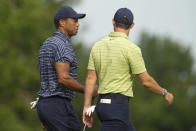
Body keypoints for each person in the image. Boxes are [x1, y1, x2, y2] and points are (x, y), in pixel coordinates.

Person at [83, 8, 174, 131]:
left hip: (102, 107)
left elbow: (90, 78)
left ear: (113, 22)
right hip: (117, 108)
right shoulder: (132, 49)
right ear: (132, 25)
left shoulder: (97, 46)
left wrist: (87, 107)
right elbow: (146, 82)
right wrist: (164, 93)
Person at [36, 6, 97, 131]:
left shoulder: (46, 44)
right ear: (62, 22)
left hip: (47, 105)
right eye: (74, 20)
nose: (78, 24)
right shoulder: (62, 45)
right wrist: (87, 90)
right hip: (57, 105)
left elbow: (44, 79)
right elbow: (63, 78)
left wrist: (44, 114)